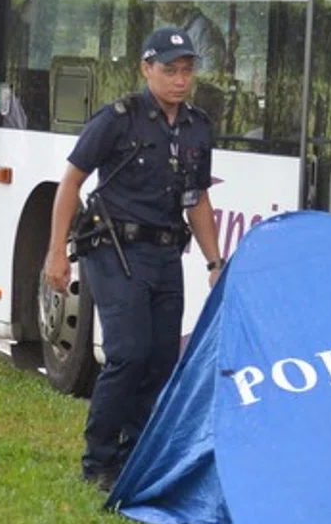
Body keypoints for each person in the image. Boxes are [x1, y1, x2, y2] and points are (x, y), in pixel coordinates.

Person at [45, 28, 222, 494]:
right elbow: (70, 183)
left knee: (162, 358)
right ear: (146, 69)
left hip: (165, 252)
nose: (180, 80)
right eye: (170, 70)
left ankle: (138, 454)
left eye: (187, 71)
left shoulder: (197, 126)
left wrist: (214, 261)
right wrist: (56, 253)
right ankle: (99, 459)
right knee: (128, 354)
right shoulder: (118, 119)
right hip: (114, 252)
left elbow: (197, 198)